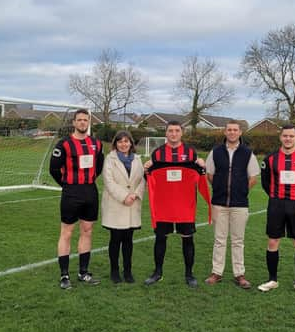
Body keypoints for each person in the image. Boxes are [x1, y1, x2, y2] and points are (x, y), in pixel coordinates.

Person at [143, 121, 210, 288]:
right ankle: (157, 273)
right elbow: (149, 179)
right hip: (163, 205)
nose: (173, 134)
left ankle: (189, 274)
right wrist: (146, 170)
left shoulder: (191, 153)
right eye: (170, 131)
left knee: (188, 239)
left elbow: (201, 174)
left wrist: (203, 166)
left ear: (182, 133)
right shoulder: (157, 154)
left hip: (185, 205)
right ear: (166, 133)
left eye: (176, 131)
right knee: (160, 238)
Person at [258, 124, 295, 297]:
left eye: (291, 136)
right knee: (273, 242)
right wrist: (277, 197)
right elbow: (265, 182)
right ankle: (272, 280)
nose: (288, 139)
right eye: (285, 136)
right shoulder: (270, 159)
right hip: (276, 204)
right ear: (280, 138)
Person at [49, 109, 104, 289]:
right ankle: (64, 276)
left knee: (87, 231)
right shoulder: (64, 144)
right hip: (71, 192)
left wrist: (88, 182)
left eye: (85, 120)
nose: (82, 123)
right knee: (67, 232)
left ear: (88, 122)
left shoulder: (96, 144)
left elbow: (99, 165)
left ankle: (83, 272)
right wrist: (67, 185)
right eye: (79, 120)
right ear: (73, 123)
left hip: (90, 191)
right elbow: (54, 169)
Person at [204, 121, 260, 289]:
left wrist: (241, 191)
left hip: (240, 204)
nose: (232, 132)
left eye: (235, 130)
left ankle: (239, 274)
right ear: (225, 131)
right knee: (219, 239)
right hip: (219, 203)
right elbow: (210, 174)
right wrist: (220, 189)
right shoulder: (215, 152)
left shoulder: (248, 153)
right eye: (229, 129)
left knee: (238, 240)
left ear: (240, 133)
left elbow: (253, 178)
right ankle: (217, 272)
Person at [101, 130, 145, 284]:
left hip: (132, 205)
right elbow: (108, 181)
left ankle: (127, 271)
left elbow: (142, 180)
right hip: (116, 205)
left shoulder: (138, 159)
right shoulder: (110, 159)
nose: (123, 144)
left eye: (126, 141)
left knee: (128, 240)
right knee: (115, 239)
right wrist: (124, 196)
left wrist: (135, 195)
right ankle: (114, 271)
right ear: (116, 143)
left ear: (131, 143)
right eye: (120, 141)